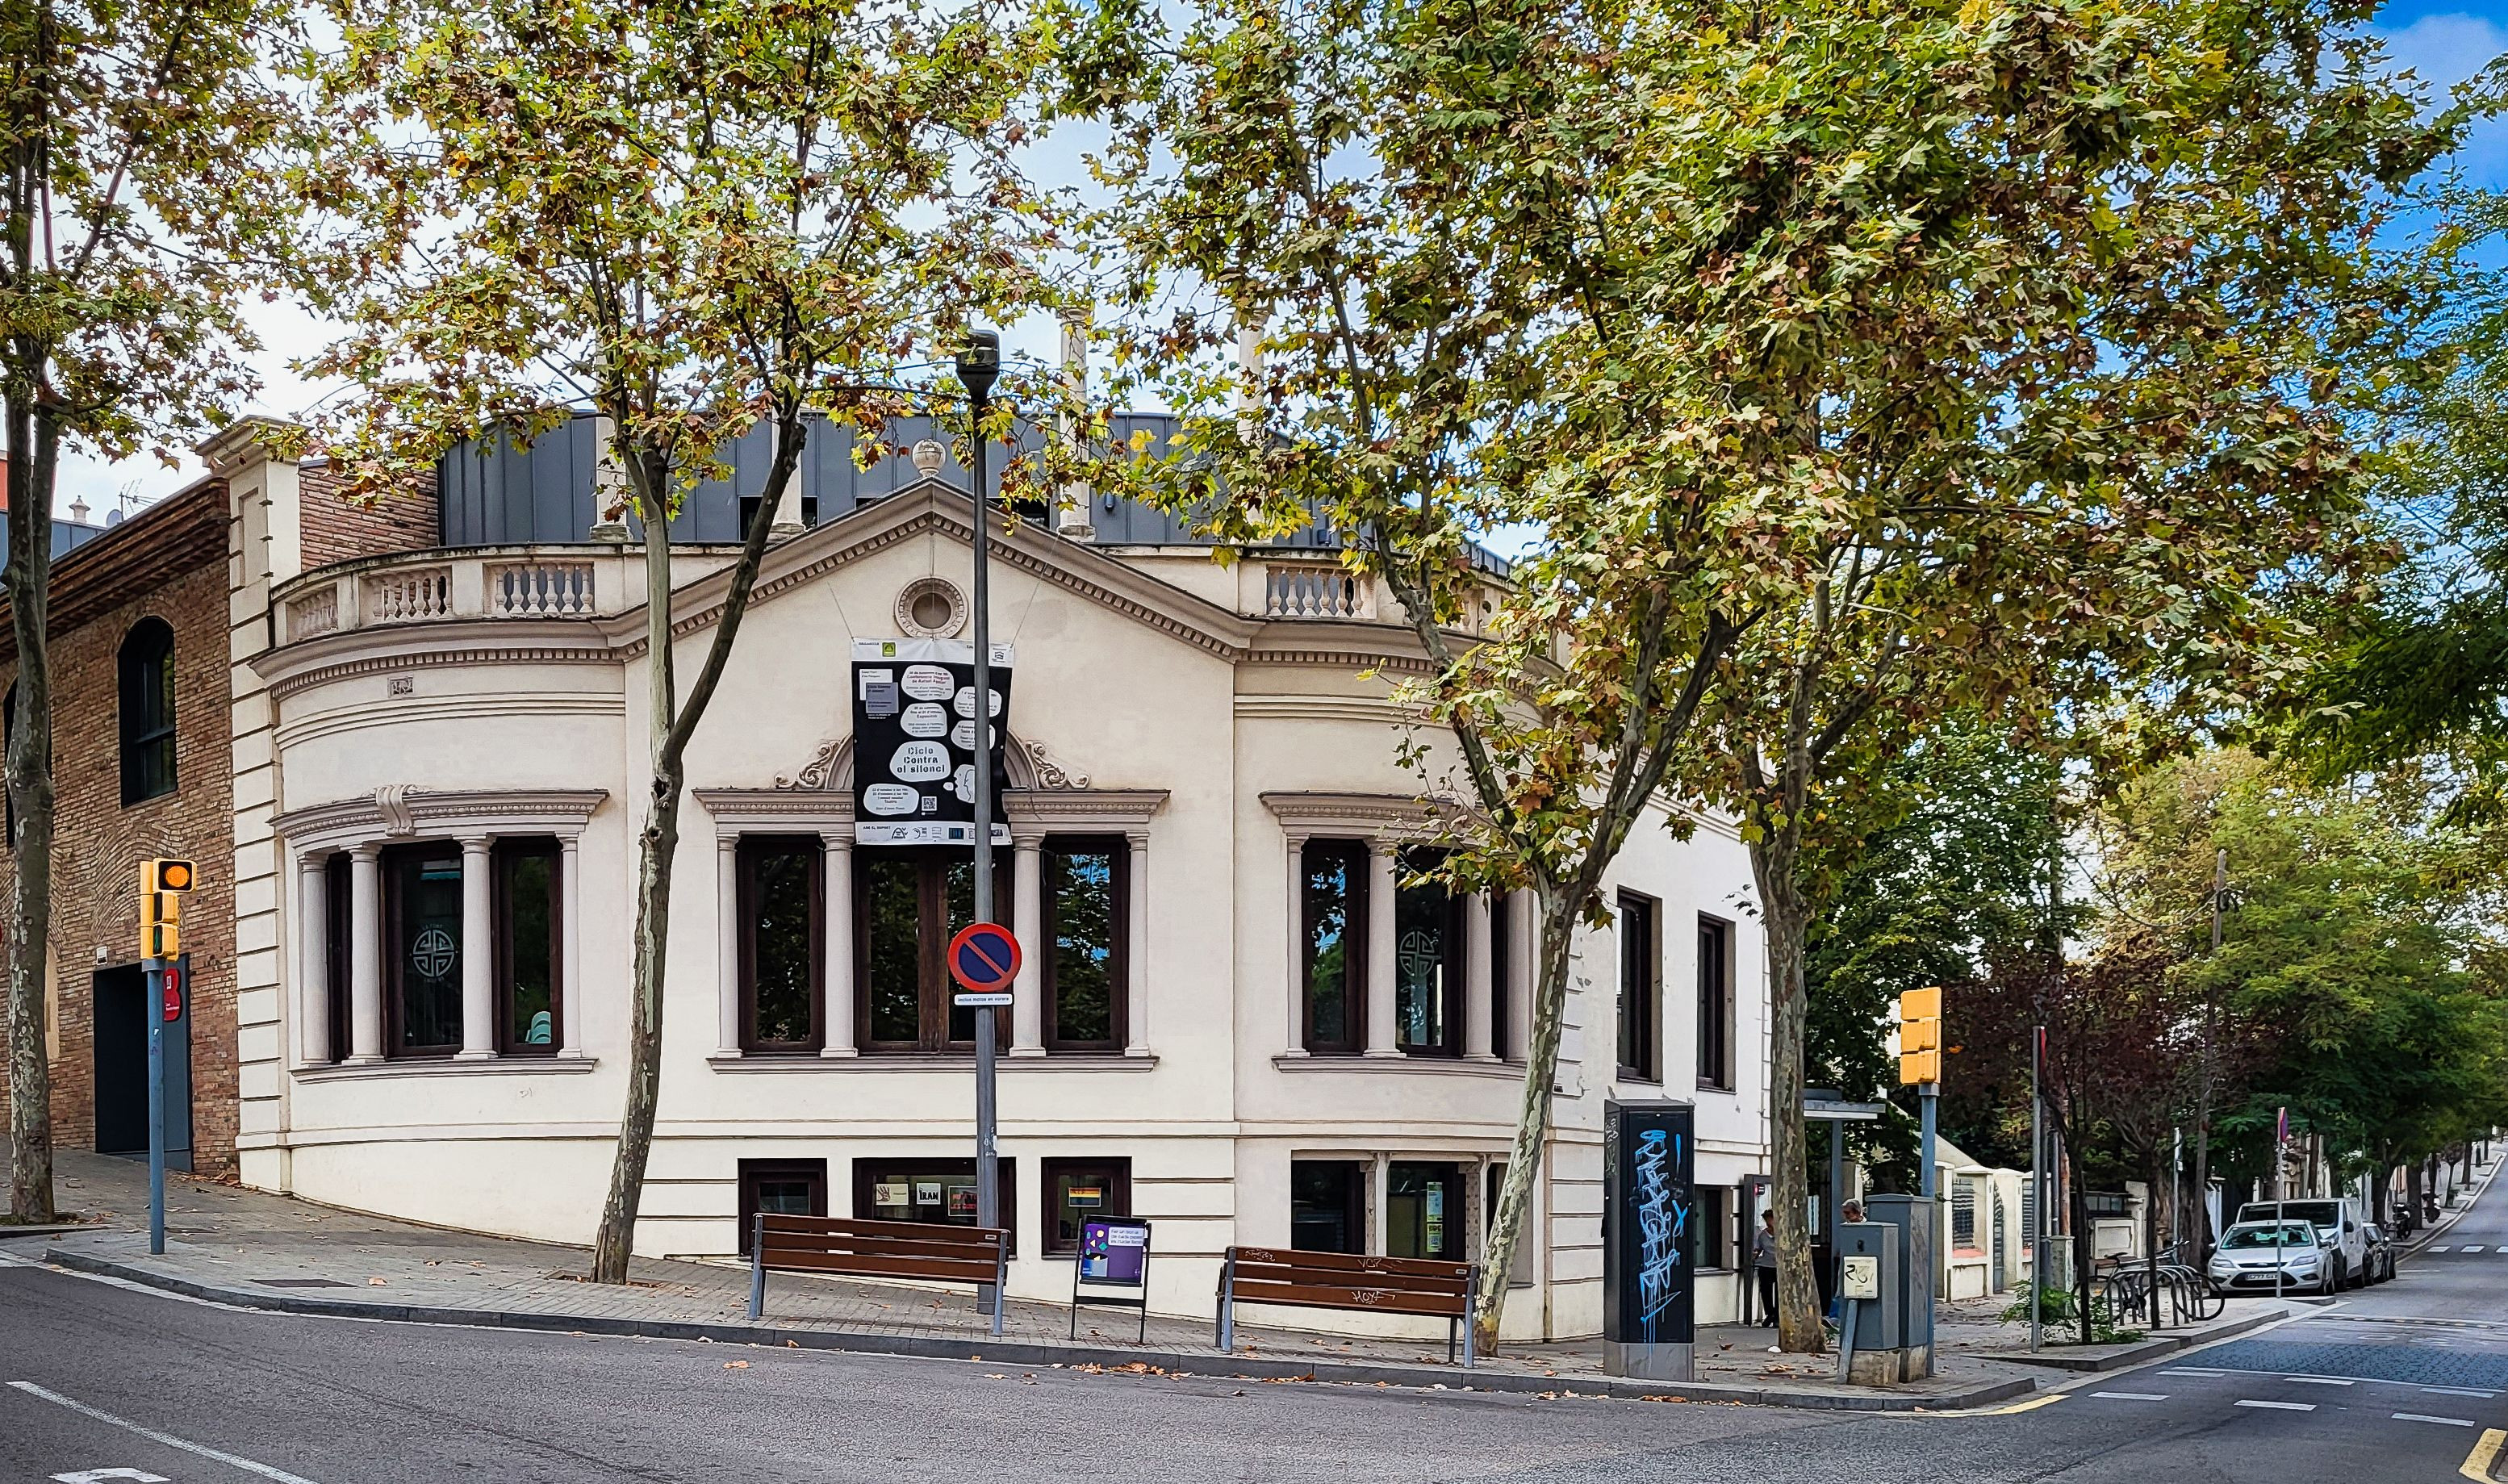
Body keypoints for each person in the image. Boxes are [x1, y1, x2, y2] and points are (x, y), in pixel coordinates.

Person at [1753, 1210, 1779, 1325]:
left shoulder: (1782, 1233)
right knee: (1765, 1290)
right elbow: (1759, 1249)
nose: (1769, 1223)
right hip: (1766, 1265)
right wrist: (1755, 1255)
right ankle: (1770, 1313)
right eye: (1767, 1220)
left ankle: (1778, 1316)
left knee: (1780, 1293)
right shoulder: (1763, 1235)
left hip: (1779, 1266)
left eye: (1771, 1220)